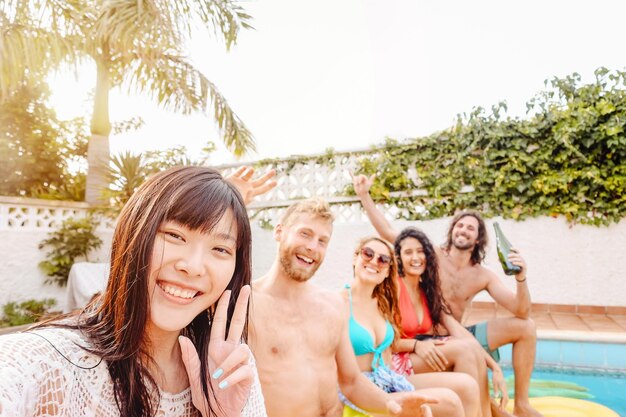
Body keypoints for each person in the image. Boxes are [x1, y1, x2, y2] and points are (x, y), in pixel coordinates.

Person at [0, 166, 274, 417]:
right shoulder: (47, 361)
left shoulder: (229, 367)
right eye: (175, 236)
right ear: (134, 234)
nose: (193, 267)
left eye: (220, 249)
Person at [352, 173, 542, 417]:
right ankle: (489, 410)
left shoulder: (479, 276)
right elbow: (389, 232)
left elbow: (521, 311)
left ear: (478, 238)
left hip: (450, 334)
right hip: (419, 343)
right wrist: (364, 196)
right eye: (460, 224)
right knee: (464, 349)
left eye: (470, 227)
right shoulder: (426, 259)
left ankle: (519, 405)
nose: (463, 230)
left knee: (523, 327)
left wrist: (520, 277)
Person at [249, 198, 454, 417]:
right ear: (279, 232)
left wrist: (392, 404)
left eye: (322, 241)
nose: (312, 247)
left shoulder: (331, 306)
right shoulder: (248, 304)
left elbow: (352, 382)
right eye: (305, 234)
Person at [341, 236, 481, 417]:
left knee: (467, 386)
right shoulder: (339, 303)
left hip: (387, 379)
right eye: (368, 254)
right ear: (355, 258)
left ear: (387, 271)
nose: (375, 261)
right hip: (362, 391)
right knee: (450, 401)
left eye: (383, 259)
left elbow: (388, 351)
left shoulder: (381, 303)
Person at [389, 228, 506, 417]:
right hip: (391, 362)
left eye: (420, 251)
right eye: (408, 252)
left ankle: (483, 414)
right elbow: (379, 341)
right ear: (399, 258)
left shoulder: (427, 291)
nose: (416, 257)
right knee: (462, 350)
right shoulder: (393, 287)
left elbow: (459, 331)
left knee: (466, 347)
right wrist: (416, 345)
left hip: (412, 357)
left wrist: (494, 366)